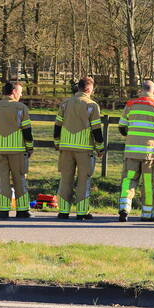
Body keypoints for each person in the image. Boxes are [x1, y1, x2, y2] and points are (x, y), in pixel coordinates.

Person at [117, 80, 154, 222]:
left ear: (141, 91)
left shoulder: (130, 105)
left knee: (128, 181)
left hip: (131, 152)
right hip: (149, 154)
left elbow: (122, 128)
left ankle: (124, 208)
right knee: (148, 183)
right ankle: (147, 214)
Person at [54, 76, 106, 220]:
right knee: (84, 180)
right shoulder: (92, 105)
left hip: (65, 147)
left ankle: (63, 211)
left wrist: (57, 142)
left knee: (65, 179)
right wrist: (100, 148)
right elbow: (96, 129)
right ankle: (82, 212)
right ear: (89, 89)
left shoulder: (65, 104)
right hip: (84, 148)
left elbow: (57, 125)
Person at [0, 81, 34, 219]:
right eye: (20, 92)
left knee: (3, 180)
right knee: (20, 179)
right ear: (13, 92)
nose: (21, 94)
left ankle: (3, 210)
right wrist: (30, 147)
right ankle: (23, 210)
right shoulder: (21, 108)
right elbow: (27, 131)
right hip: (18, 150)